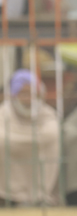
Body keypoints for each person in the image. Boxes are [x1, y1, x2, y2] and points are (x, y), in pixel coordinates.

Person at [0, 70, 61, 206]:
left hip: (37, 155)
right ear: (14, 94)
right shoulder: (4, 112)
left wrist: (17, 140)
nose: (27, 97)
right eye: (23, 93)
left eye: (31, 92)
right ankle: (10, 196)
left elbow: (51, 133)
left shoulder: (46, 112)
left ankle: (39, 196)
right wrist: (33, 139)